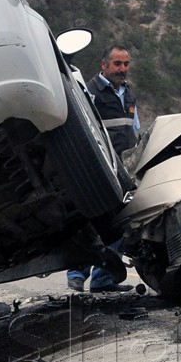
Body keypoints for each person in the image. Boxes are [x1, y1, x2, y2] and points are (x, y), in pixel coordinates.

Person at [68, 43, 139, 292]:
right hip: (96, 169)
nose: (122, 69)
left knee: (119, 223)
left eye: (126, 64)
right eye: (117, 63)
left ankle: (104, 279)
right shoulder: (89, 92)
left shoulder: (128, 94)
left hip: (122, 172)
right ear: (104, 65)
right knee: (90, 221)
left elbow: (133, 129)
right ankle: (76, 274)